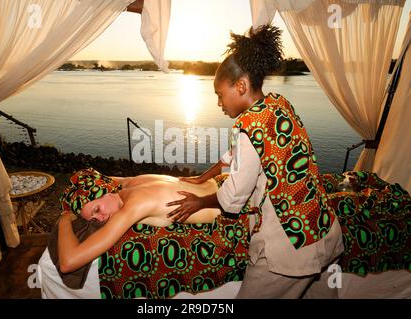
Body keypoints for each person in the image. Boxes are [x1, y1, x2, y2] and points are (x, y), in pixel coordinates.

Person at [166, 25, 344, 298]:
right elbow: (238, 157)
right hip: (322, 228)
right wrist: (204, 177)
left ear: (240, 86)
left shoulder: (247, 126)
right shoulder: (277, 105)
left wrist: (199, 202)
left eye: (220, 94)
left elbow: (234, 194)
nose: (219, 103)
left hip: (290, 246)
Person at [57, 172, 223, 274]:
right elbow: (106, 179)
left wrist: (64, 217)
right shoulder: (134, 181)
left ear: (107, 193)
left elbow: (68, 263)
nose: (101, 219)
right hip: (224, 183)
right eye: (94, 219)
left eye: (97, 210)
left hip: (233, 212)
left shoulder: (134, 205)